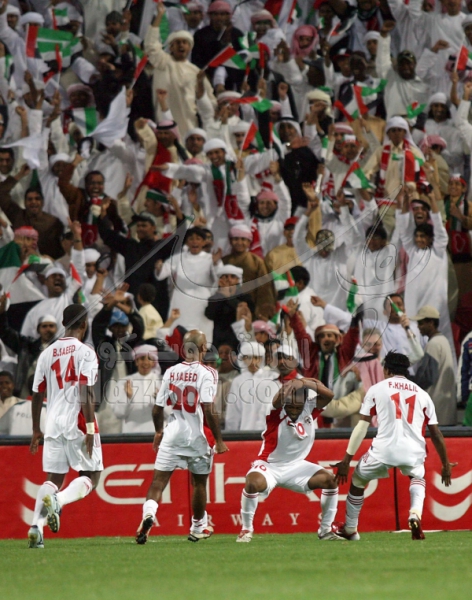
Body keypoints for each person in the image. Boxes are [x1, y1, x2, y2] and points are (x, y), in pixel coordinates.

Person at [332, 351, 455, 541]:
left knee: (358, 480)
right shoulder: (423, 394)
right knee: (417, 476)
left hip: (383, 450)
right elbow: (436, 433)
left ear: (387, 369)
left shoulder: (376, 389)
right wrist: (445, 463)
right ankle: (415, 513)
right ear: (405, 371)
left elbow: (362, 426)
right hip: (413, 451)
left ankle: (350, 528)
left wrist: (347, 459)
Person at [135, 329, 228, 545]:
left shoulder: (170, 371)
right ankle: (197, 527)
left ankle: (149, 513)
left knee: (158, 482)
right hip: (197, 437)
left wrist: (158, 432)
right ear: (203, 348)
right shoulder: (208, 373)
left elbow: (157, 409)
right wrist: (219, 440)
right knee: (199, 484)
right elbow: (208, 408)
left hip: (172, 433)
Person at [27, 304, 102, 549]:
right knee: (91, 476)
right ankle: (58, 501)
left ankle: (36, 527)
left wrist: (36, 429)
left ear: (63, 323)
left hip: (52, 422)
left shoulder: (46, 353)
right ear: (85, 324)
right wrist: (89, 426)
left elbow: (37, 393)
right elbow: (85, 390)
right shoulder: (86, 352)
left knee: (53, 478)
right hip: (77, 420)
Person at [236, 376, 345, 543]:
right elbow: (278, 398)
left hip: (296, 467)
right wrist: (291, 384)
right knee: (252, 483)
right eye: (290, 404)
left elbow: (329, 395)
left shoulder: (309, 409)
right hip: (270, 465)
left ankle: (325, 530)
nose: (294, 408)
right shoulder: (275, 412)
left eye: (298, 405)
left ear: (305, 401)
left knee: (330, 480)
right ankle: (246, 529)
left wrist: (305, 383)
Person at [410, 305, 457, 426]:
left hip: (436, 410)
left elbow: (426, 377)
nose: (418, 327)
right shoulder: (443, 340)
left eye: (421, 323)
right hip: (445, 409)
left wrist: (406, 379)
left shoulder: (434, 344)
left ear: (431, 323)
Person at [111, 345, 161, 434]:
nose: (146, 362)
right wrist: (127, 397)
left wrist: (160, 401)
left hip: (155, 435)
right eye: (142, 359)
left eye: (149, 359)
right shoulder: (124, 382)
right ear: (136, 361)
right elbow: (118, 414)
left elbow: (169, 414)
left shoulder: (161, 382)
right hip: (131, 436)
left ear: (154, 362)